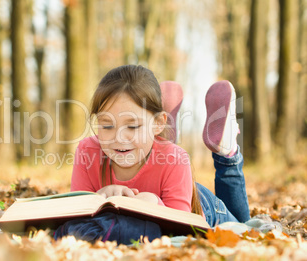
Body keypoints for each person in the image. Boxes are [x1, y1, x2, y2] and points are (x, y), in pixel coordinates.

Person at [54, 65, 250, 244]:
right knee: (162, 154)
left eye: (132, 126)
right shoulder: (87, 151)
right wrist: (99, 200)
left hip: (199, 205)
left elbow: (180, 233)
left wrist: (154, 203)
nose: (119, 137)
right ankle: (163, 136)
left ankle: (227, 155)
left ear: (157, 123)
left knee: (245, 230)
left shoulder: (177, 159)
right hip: (167, 176)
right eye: (107, 125)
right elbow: (77, 216)